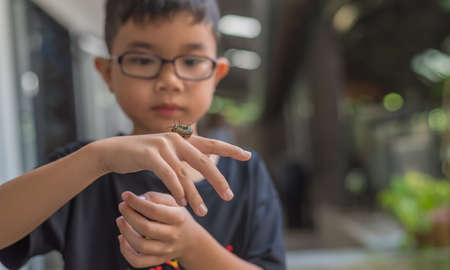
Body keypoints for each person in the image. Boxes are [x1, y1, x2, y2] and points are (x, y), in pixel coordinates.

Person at [0, 0, 286, 269]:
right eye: (142, 60)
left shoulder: (248, 175)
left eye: (190, 61)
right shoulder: (80, 167)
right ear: (108, 73)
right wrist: (96, 159)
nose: (169, 81)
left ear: (217, 74)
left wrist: (192, 246)